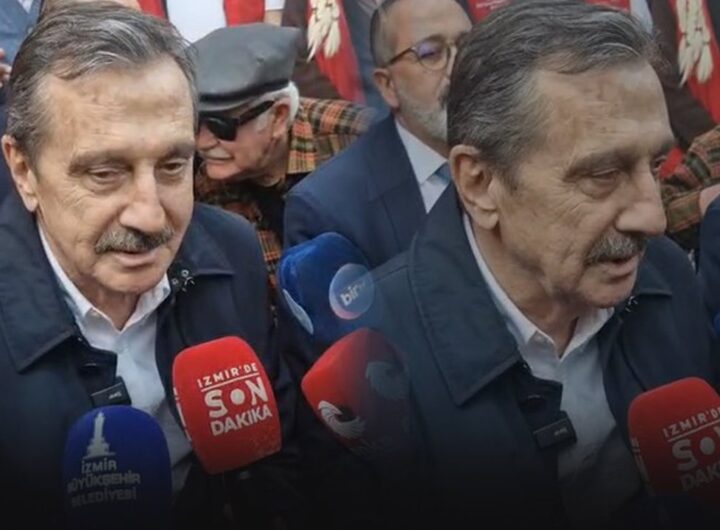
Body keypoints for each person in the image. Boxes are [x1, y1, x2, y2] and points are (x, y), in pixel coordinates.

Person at [360, 1, 720, 527]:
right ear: (480, 184)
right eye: (603, 175)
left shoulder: (665, 274)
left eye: (654, 164)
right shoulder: (371, 360)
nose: (654, 218)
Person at [0, 3, 299, 528]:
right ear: (23, 169)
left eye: (172, 165)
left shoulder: (232, 251)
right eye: (105, 173)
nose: (151, 215)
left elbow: (279, 453)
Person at [284, 0, 472, 268]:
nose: (457, 68)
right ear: (387, 86)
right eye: (431, 53)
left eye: (468, 46)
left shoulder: (521, 150)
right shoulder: (329, 209)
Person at [193, 23, 374, 287]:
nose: (201, 142)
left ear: (278, 117)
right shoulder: (192, 180)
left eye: (220, 126)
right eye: (194, 123)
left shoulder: (360, 141)